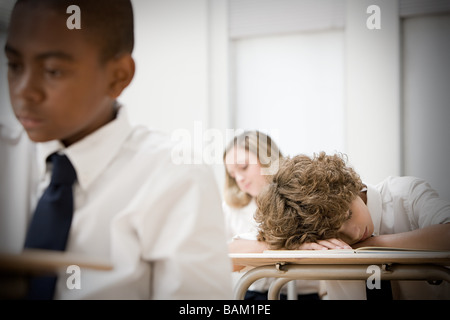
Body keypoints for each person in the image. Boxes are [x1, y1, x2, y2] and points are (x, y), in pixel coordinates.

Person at [0, 0, 233, 299]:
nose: (23, 90)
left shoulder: (175, 177)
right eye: (15, 65)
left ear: (118, 76)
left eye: (53, 70)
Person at [254, 152, 450, 299]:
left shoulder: (406, 194)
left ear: (349, 187)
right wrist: (294, 245)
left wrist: (372, 246)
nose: (354, 234)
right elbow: (235, 250)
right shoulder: (310, 229)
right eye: (334, 234)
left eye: (347, 215)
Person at [223, 130, 322, 300]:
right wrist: (285, 246)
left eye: (243, 167)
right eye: (232, 175)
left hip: (304, 294)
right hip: (254, 294)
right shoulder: (233, 208)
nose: (238, 178)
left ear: (267, 158)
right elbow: (222, 252)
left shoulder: (304, 196)